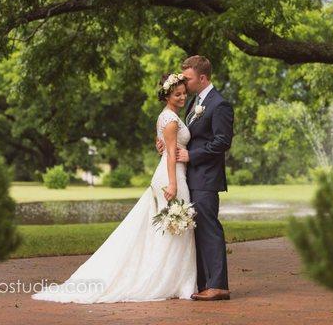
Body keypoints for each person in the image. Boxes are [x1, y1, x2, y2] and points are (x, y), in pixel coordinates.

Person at [31, 73, 197, 303]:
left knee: (169, 231)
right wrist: (173, 183)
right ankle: (173, 282)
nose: (182, 97)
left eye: (183, 93)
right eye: (177, 94)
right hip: (171, 176)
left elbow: (164, 147)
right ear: (167, 95)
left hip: (172, 173)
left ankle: (175, 280)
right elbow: (170, 153)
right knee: (173, 230)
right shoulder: (169, 120)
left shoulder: (167, 117)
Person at [156, 55, 234, 301]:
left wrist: (192, 155)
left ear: (202, 78)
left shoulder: (219, 104)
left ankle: (218, 285)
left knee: (209, 229)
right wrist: (167, 145)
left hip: (207, 178)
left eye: (188, 79)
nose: (184, 83)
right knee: (197, 231)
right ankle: (203, 283)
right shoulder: (194, 103)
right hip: (191, 177)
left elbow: (222, 141)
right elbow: (184, 134)